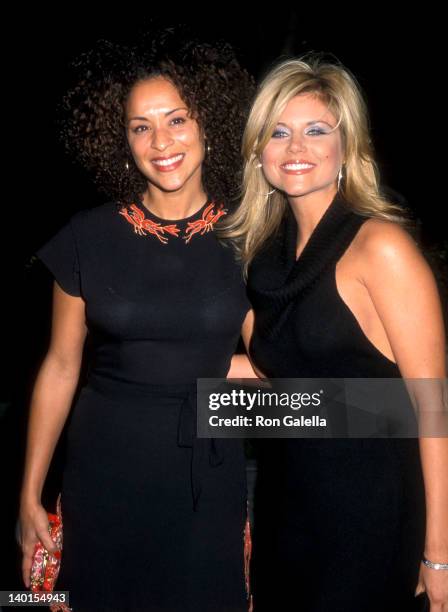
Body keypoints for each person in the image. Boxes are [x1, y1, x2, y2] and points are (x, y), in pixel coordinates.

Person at [19, 29, 255, 612]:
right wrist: (28, 496)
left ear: (207, 125)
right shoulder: (87, 235)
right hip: (104, 469)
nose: (161, 141)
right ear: (121, 141)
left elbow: (282, 370)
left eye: (176, 120)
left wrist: (233, 380)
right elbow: (60, 365)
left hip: (208, 477)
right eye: (140, 126)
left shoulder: (249, 235)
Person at [220, 55, 448, 611]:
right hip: (284, 505)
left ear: (347, 148)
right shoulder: (260, 261)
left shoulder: (381, 247)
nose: (296, 147)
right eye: (279, 132)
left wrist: (440, 552)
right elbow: (289, 389)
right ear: (259, 152)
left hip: (371, 516)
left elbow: (432, 406)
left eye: (316, 130)